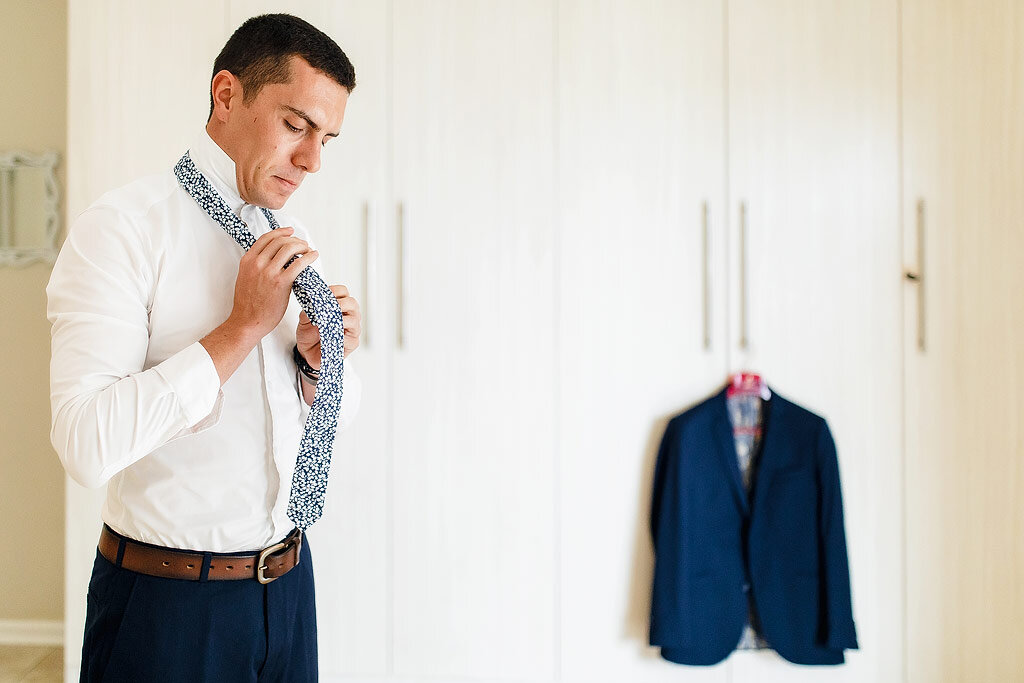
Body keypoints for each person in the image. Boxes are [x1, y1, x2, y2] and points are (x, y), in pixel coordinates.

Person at [46, 14, 362, 682]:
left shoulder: (290, 232)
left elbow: (315, 424)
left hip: (289, 591)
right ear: (227, 96)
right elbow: (83, 445)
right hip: (169, 611)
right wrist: (239, 331)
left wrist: (312, 364)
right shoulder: (122, 232)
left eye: (326, 138)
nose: (313, 160)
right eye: (297, 124)